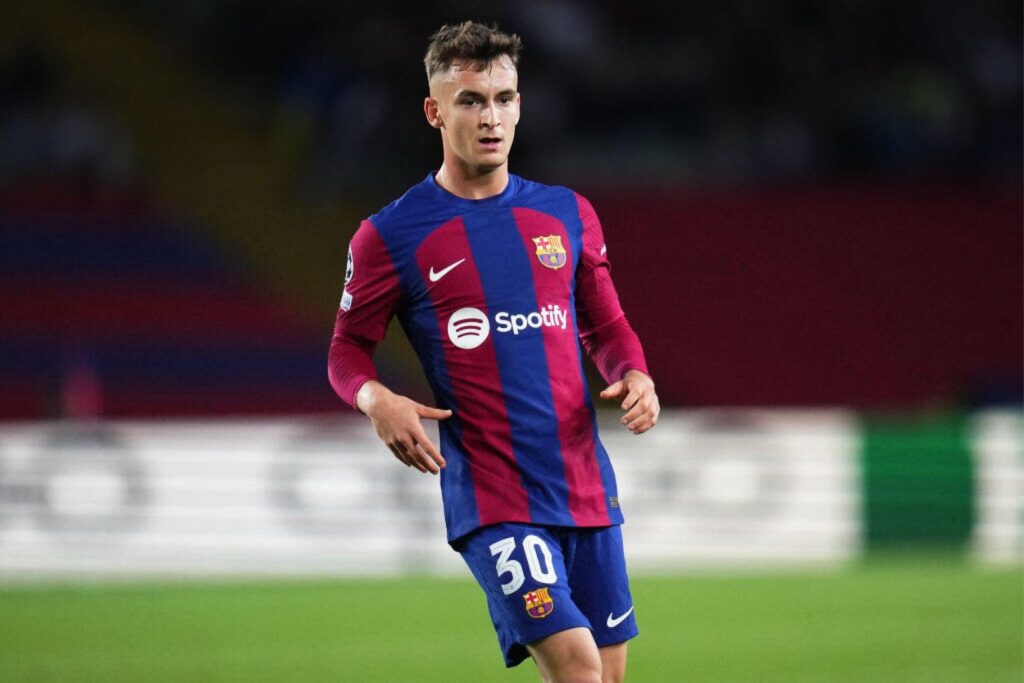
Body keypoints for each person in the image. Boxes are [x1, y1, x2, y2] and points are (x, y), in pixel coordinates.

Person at [327, 20, 659, 683]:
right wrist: (376, 399)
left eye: (504, 98)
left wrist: (635, 373)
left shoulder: (567, 214)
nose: (491, 117)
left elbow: (608, 327)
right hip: (494, 493)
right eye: (472, 100)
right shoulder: (390, 235)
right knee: (577, 668)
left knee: (609, 674)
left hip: (584, 484)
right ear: (434, 111)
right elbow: (347, 351)